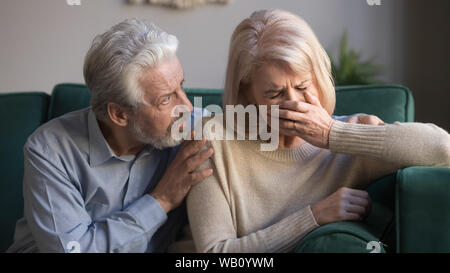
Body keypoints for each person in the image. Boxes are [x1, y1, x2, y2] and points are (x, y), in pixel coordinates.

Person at [171, 9, 450, 253]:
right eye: (275, 93)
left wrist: (332, 134)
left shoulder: (352, 136)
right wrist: (314, 217)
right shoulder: (213, 137)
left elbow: (442, 148)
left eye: (303, 86)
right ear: (247, 95)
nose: (294, 102)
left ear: (318, 78)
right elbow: (214, 252)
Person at [7, 19, 214, 253]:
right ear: (119, 114)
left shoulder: (193, 128)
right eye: (166, 99)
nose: (186, 106)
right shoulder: (50, 151)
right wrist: (161, 200)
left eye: (181, 87)